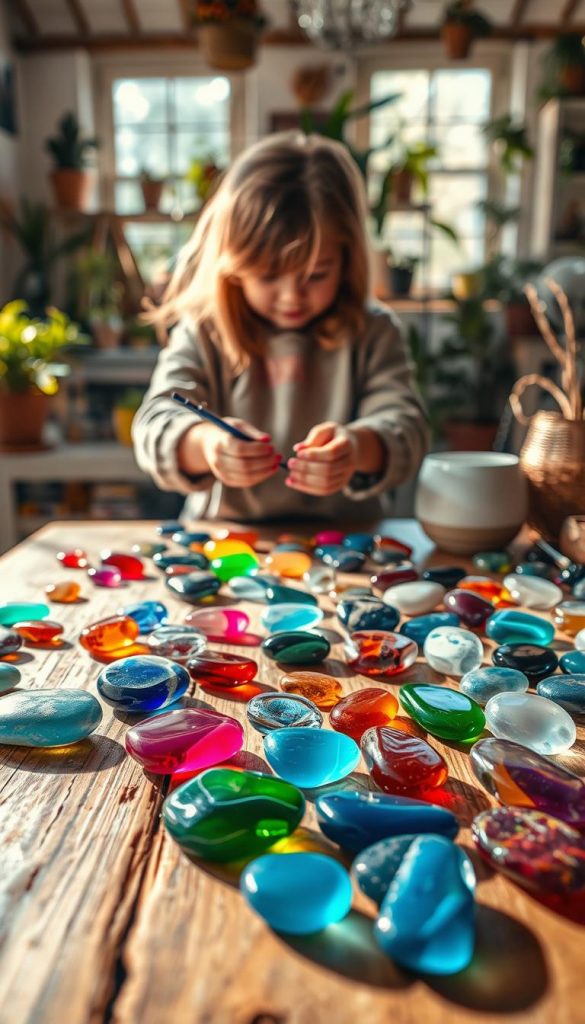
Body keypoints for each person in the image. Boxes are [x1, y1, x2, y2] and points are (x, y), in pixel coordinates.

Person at [133, 131, 429, 524]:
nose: (292, 297)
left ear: (347, 259)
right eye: (269, 276)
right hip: (226, 541)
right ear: (234, 267)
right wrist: (206, 444)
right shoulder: (206, 330)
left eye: (316, 275)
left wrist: (357, 448)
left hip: (349, 545)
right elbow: (156, 421)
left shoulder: (373, 331)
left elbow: (406, 426)